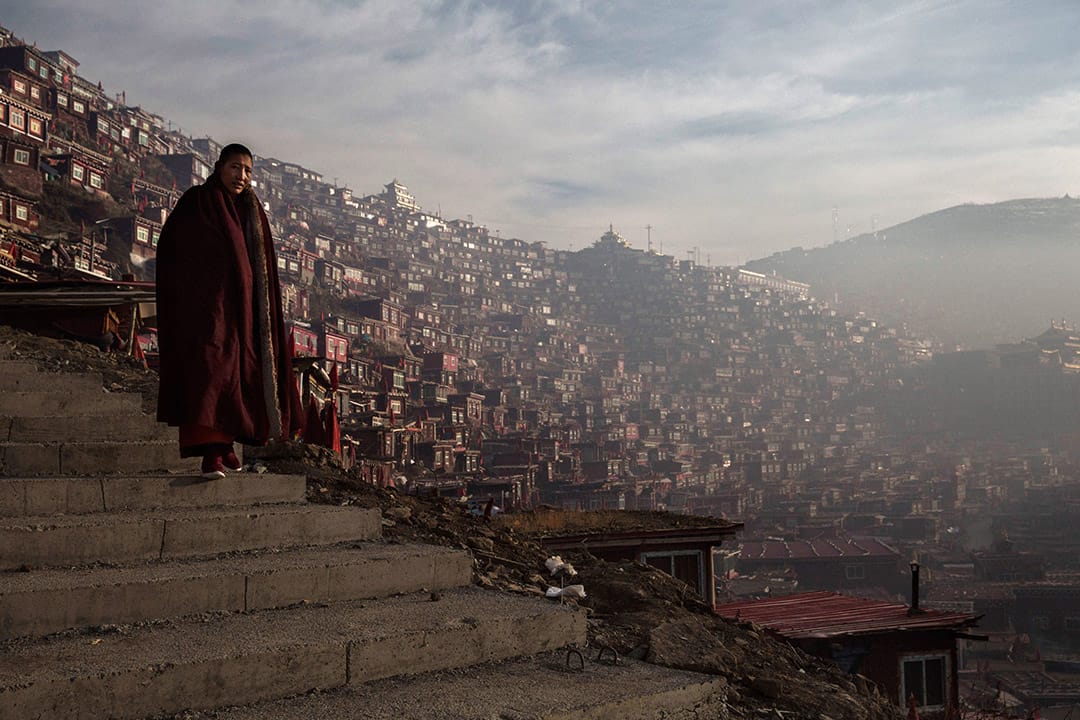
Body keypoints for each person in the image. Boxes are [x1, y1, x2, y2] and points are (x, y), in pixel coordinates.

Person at [155, 143, 302, 479]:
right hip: (206, 309)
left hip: (244, 312)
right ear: (219, 167)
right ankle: (211, 454)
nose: (241, 176)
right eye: (235, 167)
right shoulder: (198, 200)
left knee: (240, 377)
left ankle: (225, 444)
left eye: (248, 171)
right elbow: (174, 246)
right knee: (210, 375)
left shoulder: (251, 210)